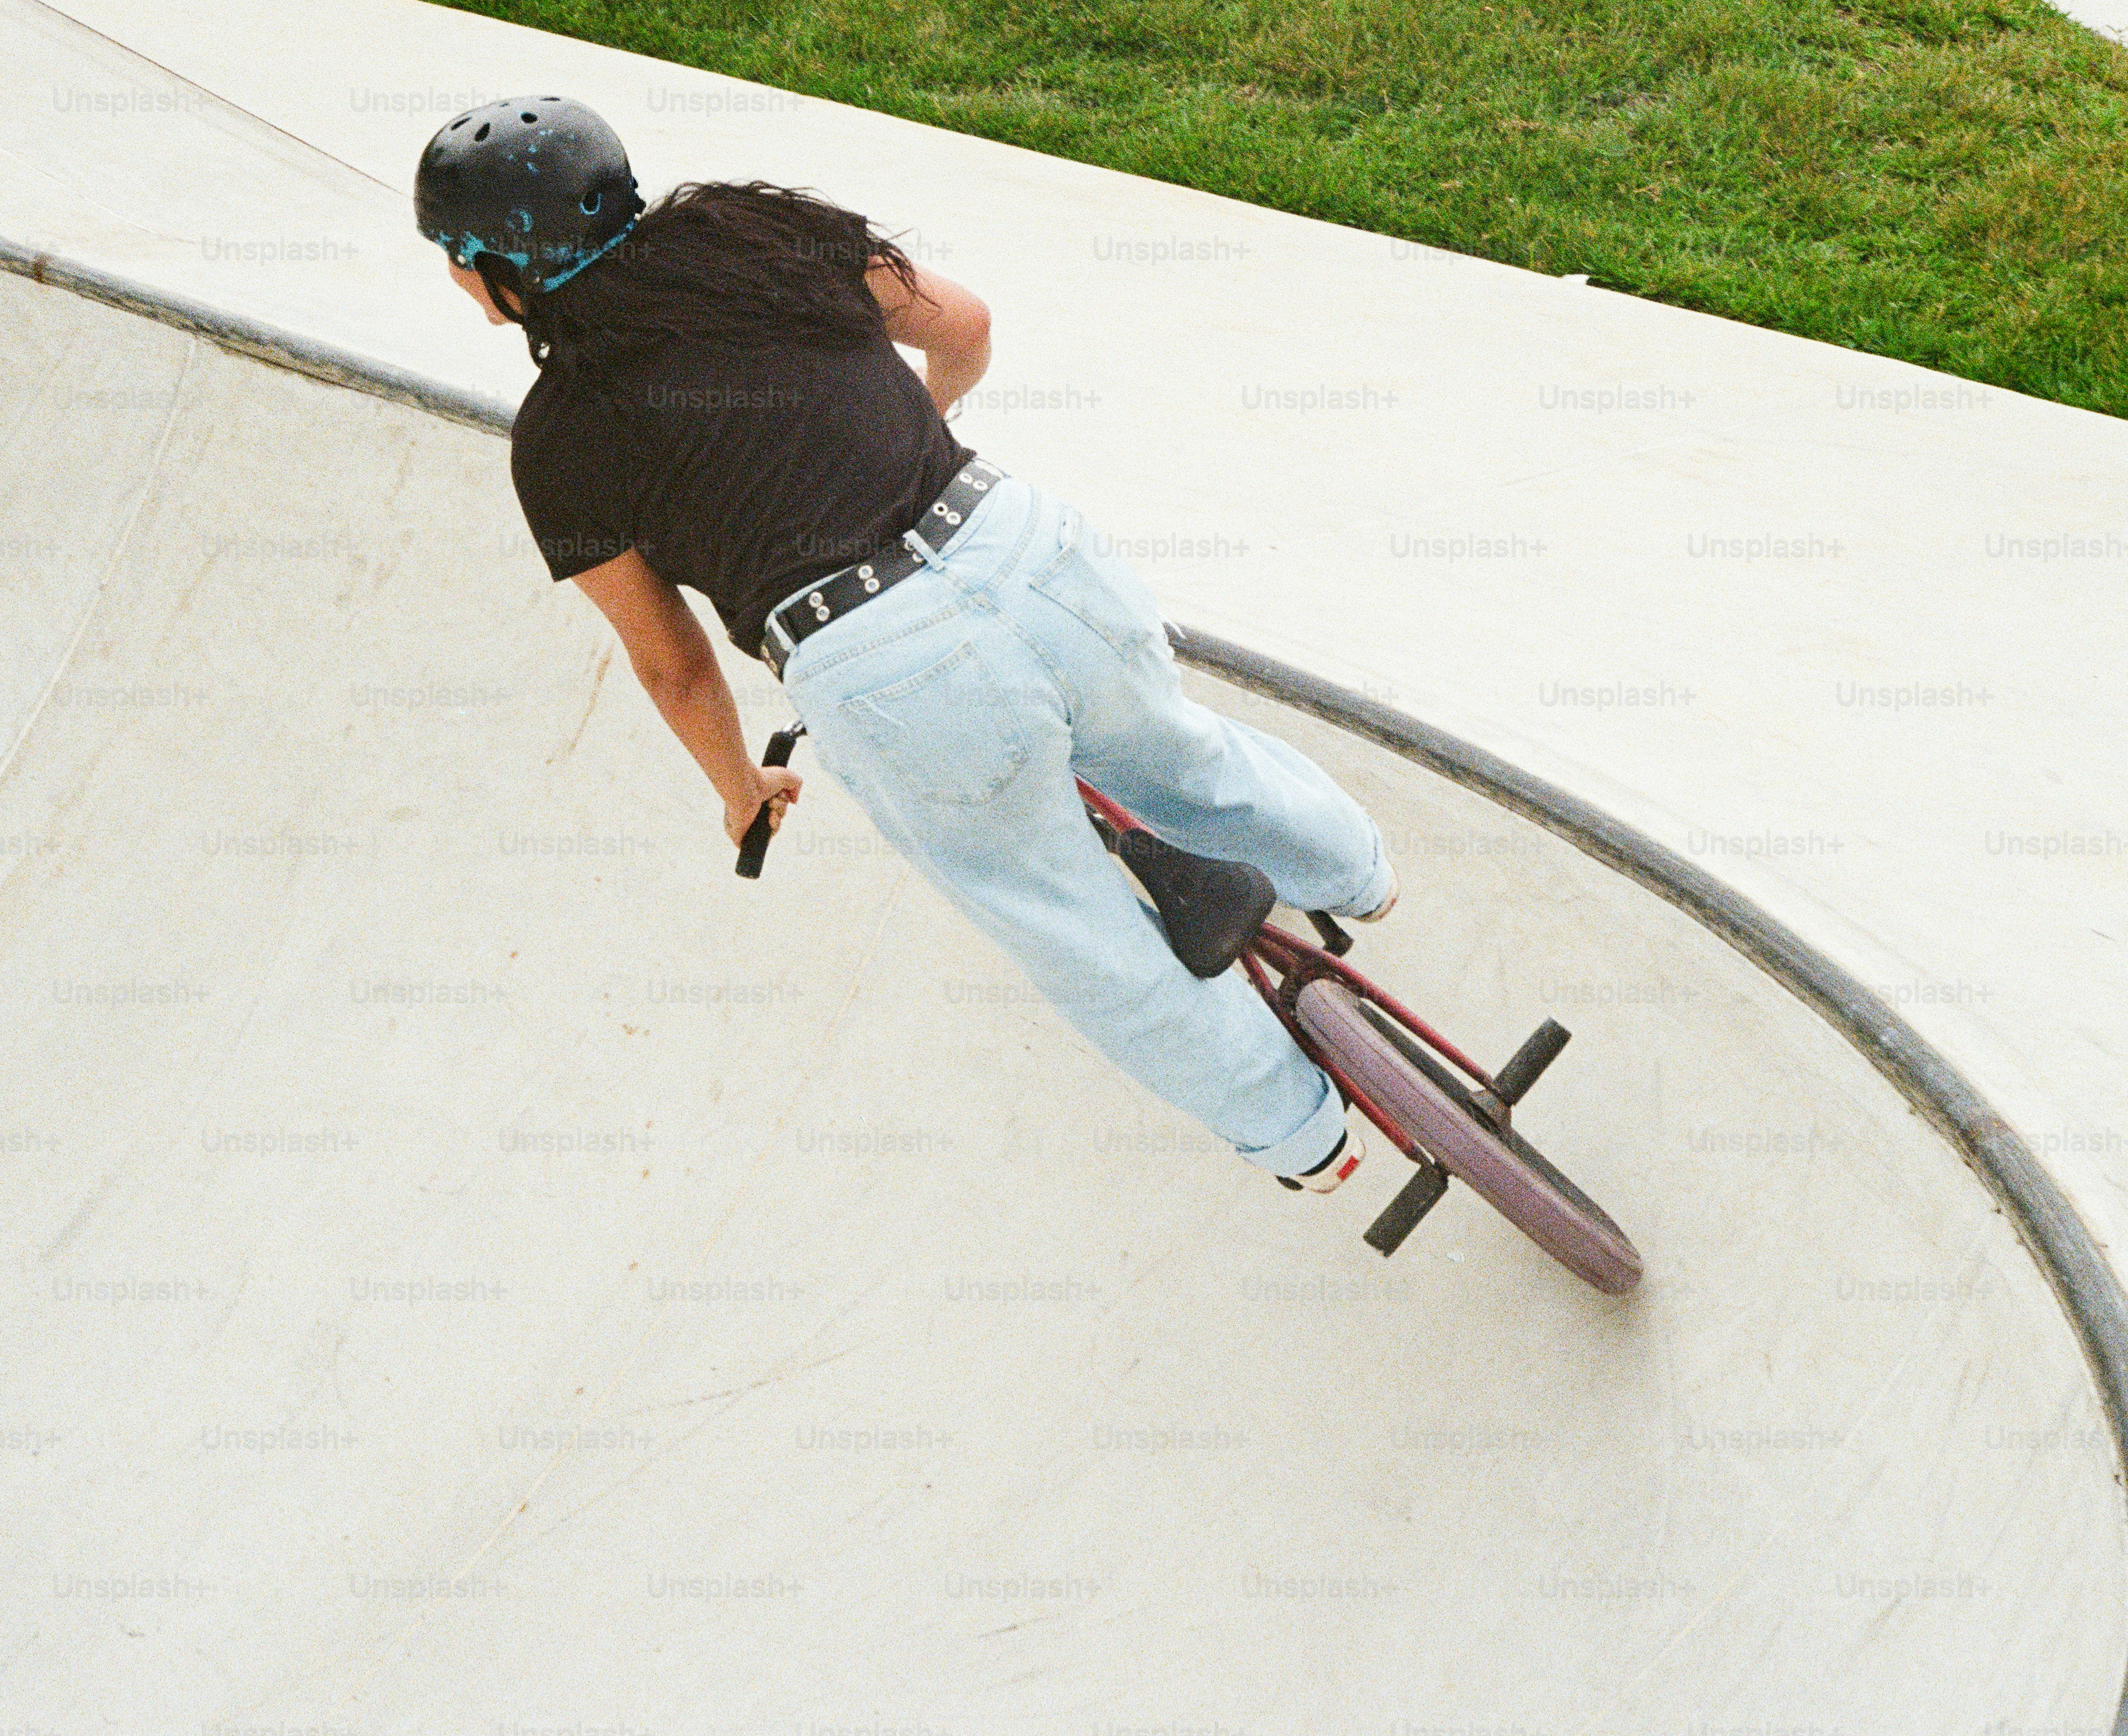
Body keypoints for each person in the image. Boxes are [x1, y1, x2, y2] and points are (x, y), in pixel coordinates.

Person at [414, 95, 1395, 1191]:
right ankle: (1356, 871)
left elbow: (672, 662)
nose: (455, 282)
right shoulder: (760, 240)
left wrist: (740, 789)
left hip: (881, 671)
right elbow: (965, 326)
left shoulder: (556, 445)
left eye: (455, 260)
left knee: (1069, 921)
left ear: (504, 271)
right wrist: (930, 422)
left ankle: (1302, 1139)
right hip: (1021, 544)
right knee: (1182, 749)